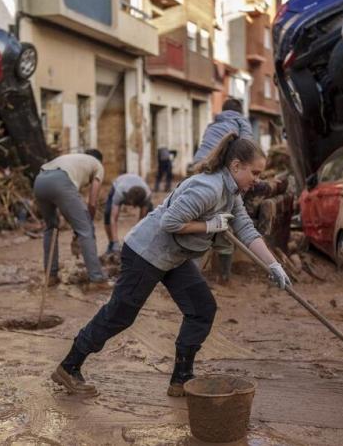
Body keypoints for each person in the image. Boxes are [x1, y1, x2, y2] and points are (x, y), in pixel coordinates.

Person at [51, 135, 291, 396]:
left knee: (202, 308)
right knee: (120, 314)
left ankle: (181, 378)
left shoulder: (230, 192)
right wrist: (209, 226)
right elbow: (170, 222)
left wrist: (273, 264)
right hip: (146, 252)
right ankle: (69, 366)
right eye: (254, 172)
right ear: (235, 166)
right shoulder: (208, 188)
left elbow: (245, 228)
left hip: (175, 257)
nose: (257, 179)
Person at [192, 98, 254, 282]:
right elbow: (248, 152)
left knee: (198, 223)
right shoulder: (242, 123)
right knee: (225, 223)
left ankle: (190, 276)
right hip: (219, 172)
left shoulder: (213, 125)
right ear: (240, 111)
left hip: (198, 169)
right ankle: (224, 276)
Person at [33, 149, 109, 286]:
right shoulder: (97, 165)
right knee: (85, 230)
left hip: (39, 181)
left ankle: (50, 276)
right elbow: (92, 202)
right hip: (61, 180)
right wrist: (87, 223)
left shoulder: (74, 159)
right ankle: (97, 279)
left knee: (51, 228)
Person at [104, 173, 154, 254]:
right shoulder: (120, 192)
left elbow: (142, 221)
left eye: (134, 205)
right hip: (119, 183)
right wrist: (115, 242)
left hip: (141, 190)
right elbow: (113, 218)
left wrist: (136, 243)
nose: (132, 207)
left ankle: (148, 245)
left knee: (151, 218)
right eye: (130, 204)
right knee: (108, 213)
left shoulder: (147, 196)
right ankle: (112, 244)